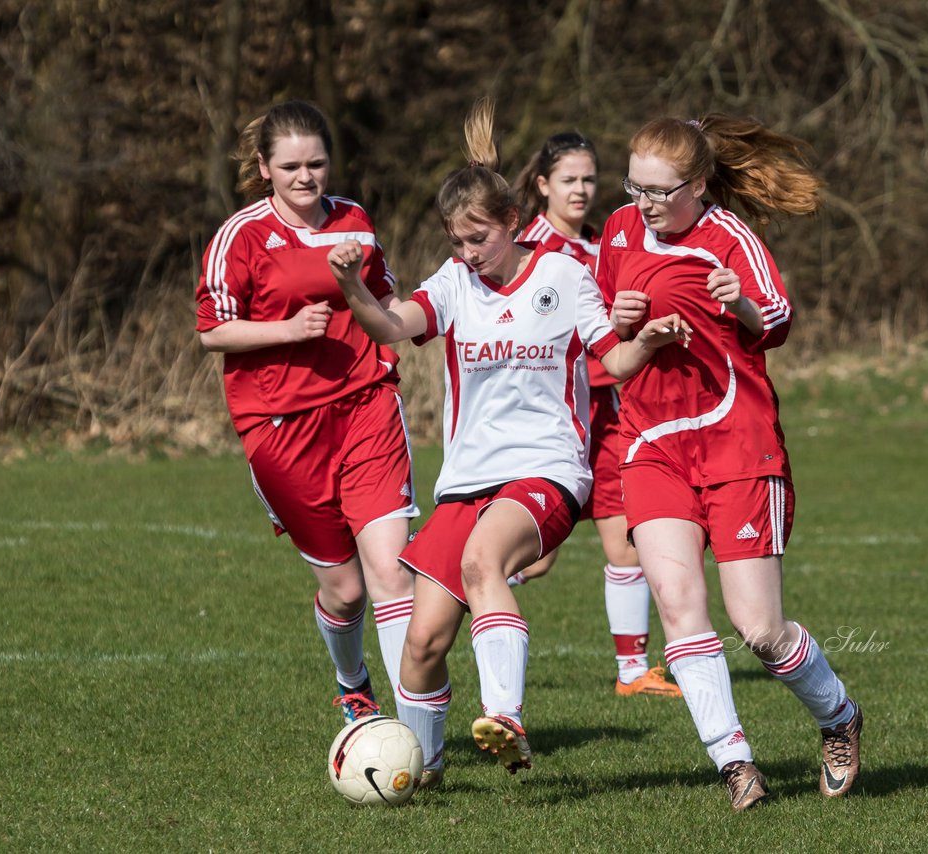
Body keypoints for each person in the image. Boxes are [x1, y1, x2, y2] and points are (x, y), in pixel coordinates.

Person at [326, 97, 689, 788]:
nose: (467, 253)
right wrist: (350, 284)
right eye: (457, 241)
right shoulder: (455, 283)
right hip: (468, 478)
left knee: (485, 558)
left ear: (513, 225)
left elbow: (611, 361)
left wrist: (648, 339)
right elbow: (389, 325)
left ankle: (506, 716)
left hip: (546, 472)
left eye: (478, 240)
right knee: (422, 644)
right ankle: (423, 772)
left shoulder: (561, 275)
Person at [595, 114, 863, 811]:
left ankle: (838, 717)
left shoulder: (731, 238)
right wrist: (627, 323)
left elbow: (777, 320)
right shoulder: (619, 231)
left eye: (661, 190)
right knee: (681, 609)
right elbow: (605, 347)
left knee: (761, 630)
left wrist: (736, 301)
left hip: (738, 446)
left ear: (700, 184)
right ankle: (735, 763)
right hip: (653, 447)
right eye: (636, 186)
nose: (645, 202)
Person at [194, 100, 418, 725]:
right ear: (263, 167)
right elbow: (212, 332)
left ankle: (415, 734)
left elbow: (385, 296)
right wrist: (287, 329)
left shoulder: (355, 220)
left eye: (316, 163)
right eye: (290, 166)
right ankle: (353, 683)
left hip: (366, 404)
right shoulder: (240, 237)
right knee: (345, 591)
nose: (305, 177)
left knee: (390, 572)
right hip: (282, 426)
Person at [509, 132, 681, 698]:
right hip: (551, 416)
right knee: (531, 559)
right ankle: (436, 594)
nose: (581, 190)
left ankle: (633, 671)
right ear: (542, 185)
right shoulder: (524, 248)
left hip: (608, 412)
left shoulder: (603, 242)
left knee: (623, 539)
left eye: (588, 179)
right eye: (568, 180)